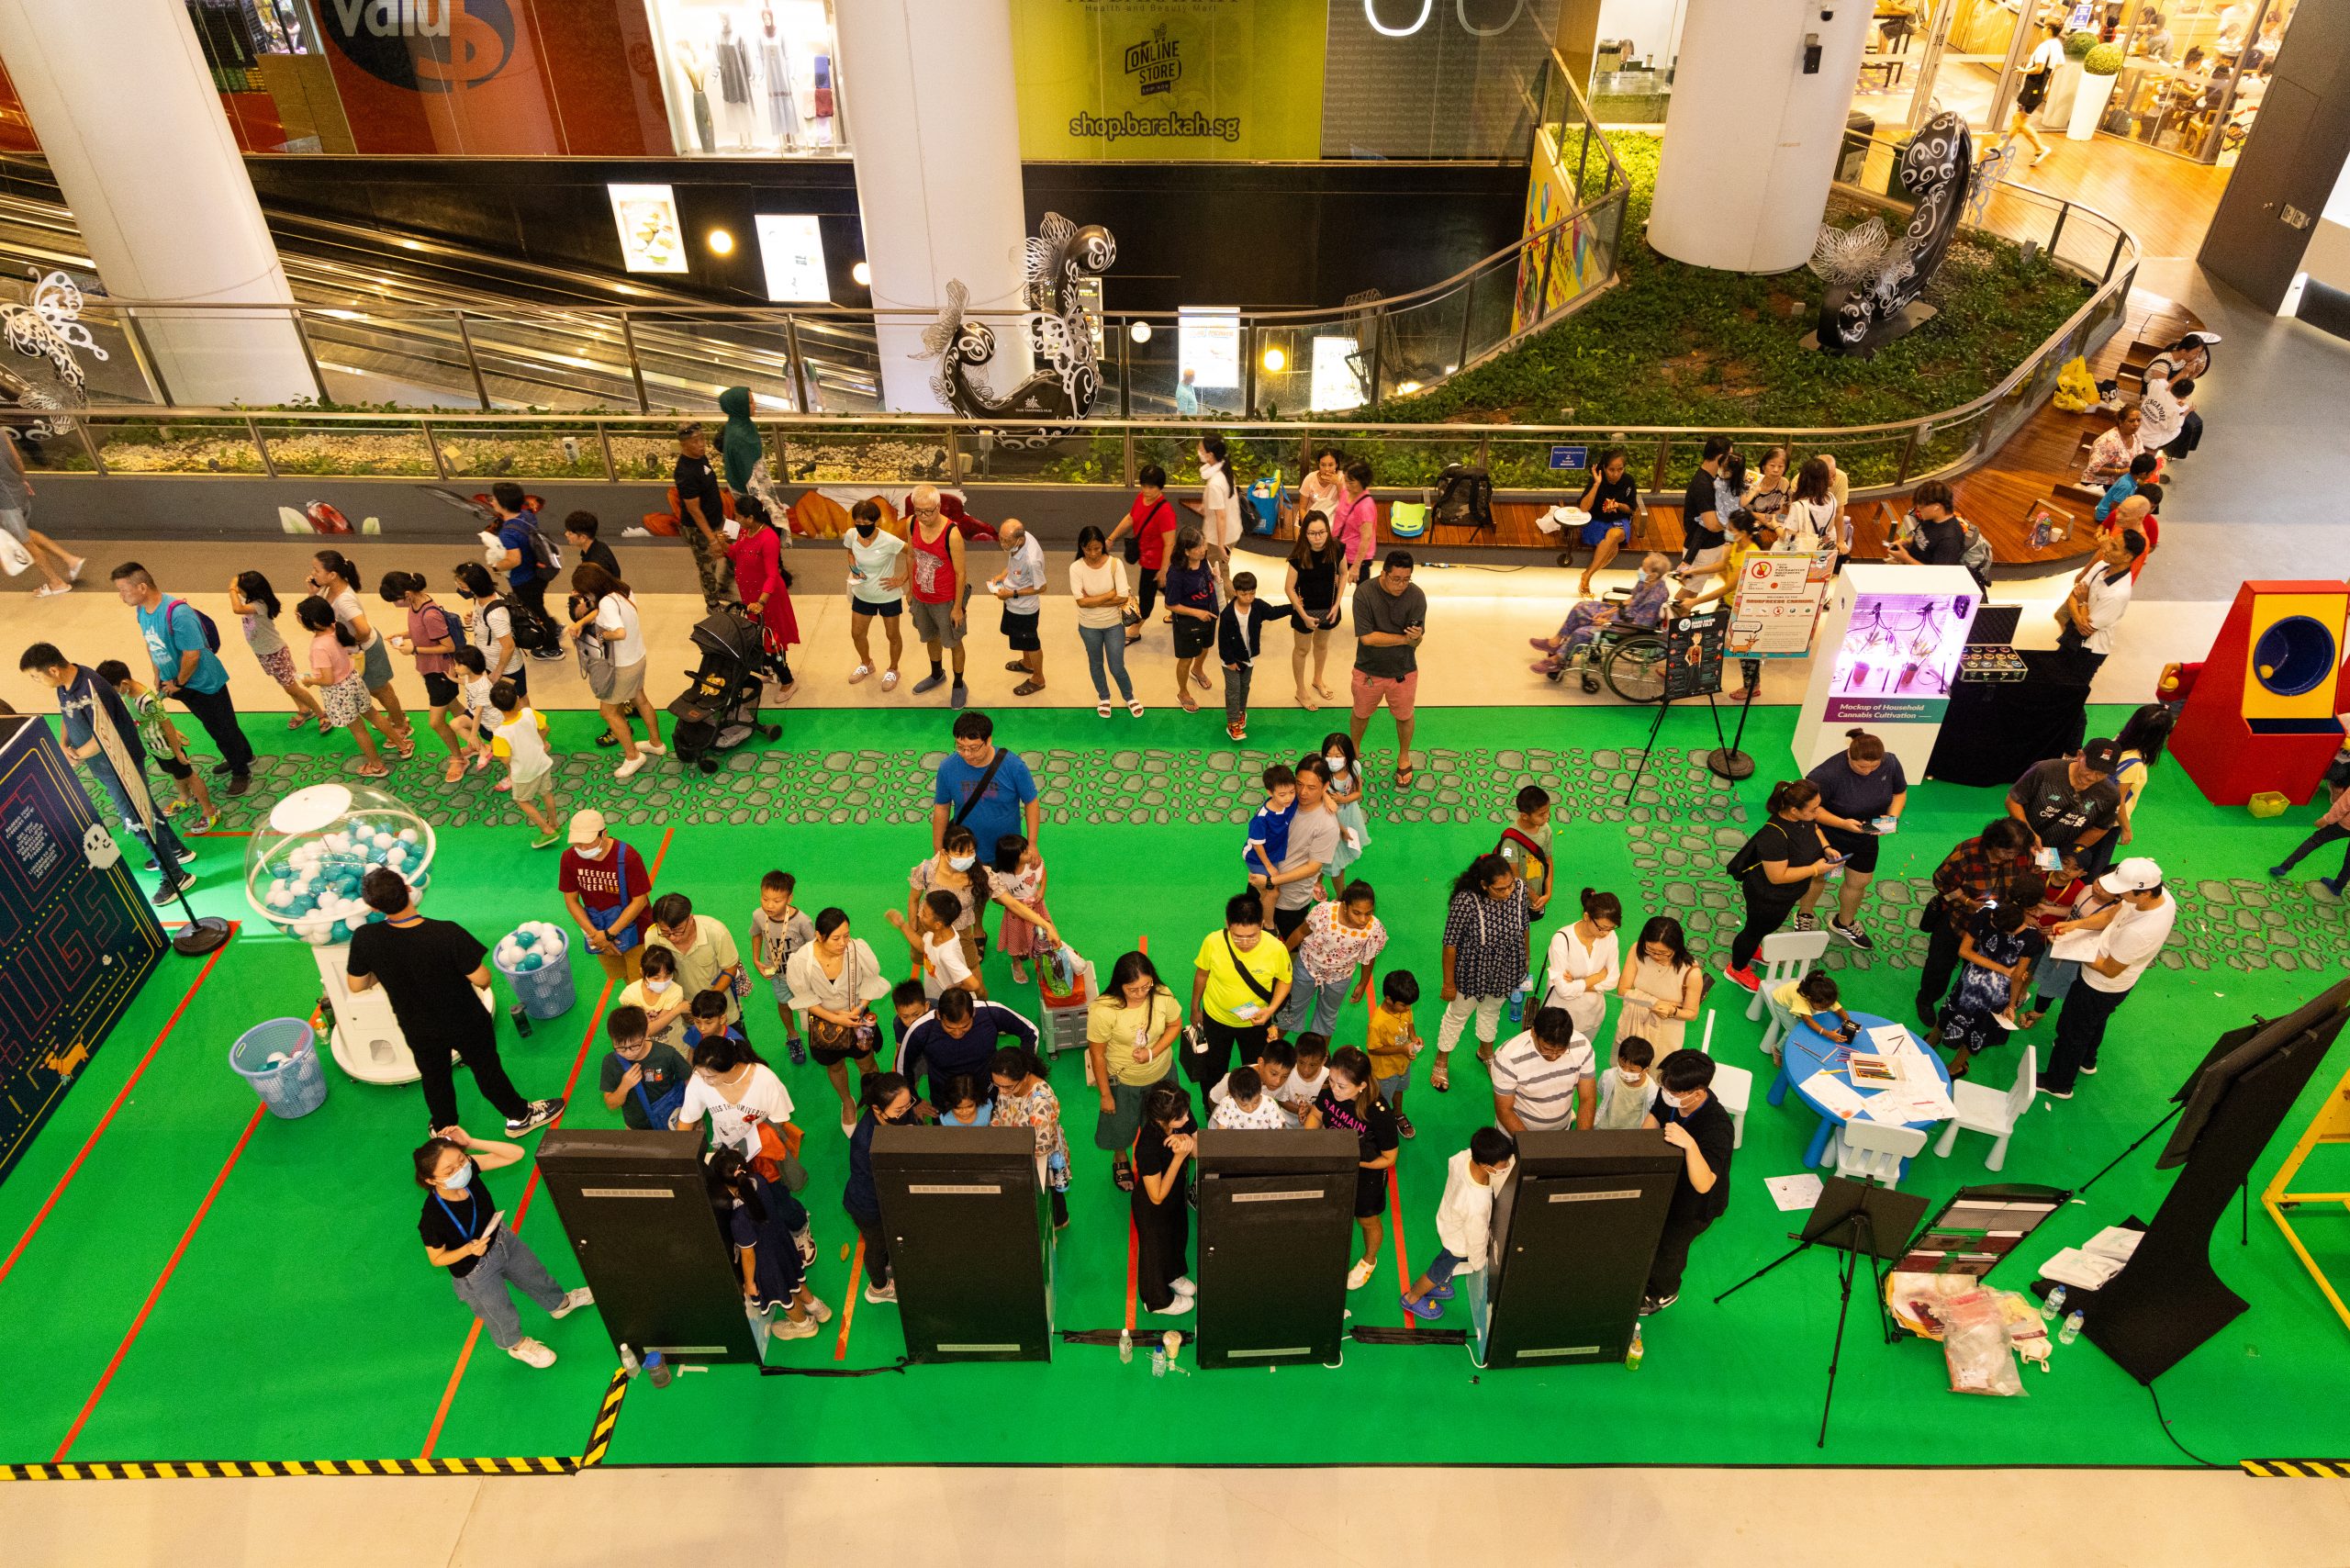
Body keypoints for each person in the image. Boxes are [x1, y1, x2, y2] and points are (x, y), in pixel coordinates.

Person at [351, 868, 563, 1137]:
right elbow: (482, 978)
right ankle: (519, 1116)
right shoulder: (446, 933)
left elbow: (357, 984)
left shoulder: (366, 938)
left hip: (417, 1026)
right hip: (465, 1020)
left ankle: (444, 1129)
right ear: (406, 889)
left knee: (434, 1076)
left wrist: (385, 972)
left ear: (373, 906)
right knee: (486, 1069)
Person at [19, 643, 195, 902]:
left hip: (121, 764)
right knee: (145, 806)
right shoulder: (64, 685)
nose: (35, 681)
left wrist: (75, 756)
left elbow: (105, 737)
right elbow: (67, 716)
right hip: (102, 765)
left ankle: (176, 876)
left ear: (53, 670)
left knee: (137, 821)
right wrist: (63, 744)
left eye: (35, 676)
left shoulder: (92, 688)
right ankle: (176, 850)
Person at [414, 1129, 592, 1369]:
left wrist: (472, 1141)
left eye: (461, 1160)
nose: (460, 1170)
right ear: (432, 1180)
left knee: (535, 1275)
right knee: (498, 1311)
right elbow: (436, 1258)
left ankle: (560, 1304)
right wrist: (467, 1250)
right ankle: (516, 1345)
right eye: (450, 1171)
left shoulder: (469, 1170)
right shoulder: (432, 1218)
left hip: (501, 1239)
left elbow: (516, 1154)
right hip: (474, 1269)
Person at [110, 562, 254, 797]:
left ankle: (241, 771)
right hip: (179, 683)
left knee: (221, 728)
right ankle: (243, 755)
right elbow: (152, 643)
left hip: (204, 683)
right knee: (218, 724)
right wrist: (158, 674)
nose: (121, 596)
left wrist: (178, 683)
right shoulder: (142, 611)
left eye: (124, 590)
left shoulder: (178, 613)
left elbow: (192, 654)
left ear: (142, 587)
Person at [2043, 858, 2176, 1099]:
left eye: (2122, 890)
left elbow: (2109, 968)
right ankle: (2086, 1060)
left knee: (2074, 1032)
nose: (2117, 895)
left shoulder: (2141, 931)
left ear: (2144, 892)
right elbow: (2112, 915)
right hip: (2111, 983)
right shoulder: (2156, 896)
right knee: (2093, 1022)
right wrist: (2076, 927)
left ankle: (2058, 1083)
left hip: (2101, 985)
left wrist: (2069, 947)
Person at [1917, 818, 2047, 1025]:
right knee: (1939, 967)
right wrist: (1968, 902)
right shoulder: (1966, 853)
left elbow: (2026, 885)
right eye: (2008, 852)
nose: (2012, 857)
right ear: (1993, 844)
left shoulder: (2022, 855)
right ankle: (1926, 1000)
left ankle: (1959, 1005)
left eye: (2016, 852)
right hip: (1959, 922)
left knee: (1975, 974)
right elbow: (1942, 882)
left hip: (1997, 929)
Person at [1640, 1048, 1734, 1315]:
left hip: (1695, 1204)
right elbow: (1655, 1117)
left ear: (1698, 1092)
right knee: (1653, 1236)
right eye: (1665, 1086)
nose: (1667, 1093)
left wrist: (1690, 1144)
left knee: (1670, 1248)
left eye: (1675, 1092)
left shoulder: (1718, 1127)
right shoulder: (1671, 1092)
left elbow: (1705, 1183)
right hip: (1669, 1184)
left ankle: (1664, 1292)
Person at [785, 907, 892, 1131]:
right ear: (819, 936)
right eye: (836, 938)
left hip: (857, 1019)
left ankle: (874, 1102)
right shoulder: (802, 960)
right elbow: (806, 999)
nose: (843, 943)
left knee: (867, 1063)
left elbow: (871, 983)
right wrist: (835, 1018)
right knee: (835, 1067)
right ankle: (847, 1103)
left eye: (846, 935)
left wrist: (859, 1008)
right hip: (825, 1024)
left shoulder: (857, 950)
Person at [1799, 729, 1908, 948]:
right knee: (1818, 878)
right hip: (1827, 835)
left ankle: (1844, 922)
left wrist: (1893, 818)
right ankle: (1805, 916)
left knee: (1860, 881)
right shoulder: (1826, 775)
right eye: (1862, 767)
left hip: (1866, 833)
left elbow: (1899, 792)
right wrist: (1842, 823)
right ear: (1849, 755)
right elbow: (1808, 809)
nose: (1868, 772)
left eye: (1874, 767)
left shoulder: (1891, 762)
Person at [705, 1146, 826, 1340]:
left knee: (784, 1294)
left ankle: (803, 1325)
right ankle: (817, 1308)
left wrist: (750, 1283)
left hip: (767, 1263)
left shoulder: (739, 1220)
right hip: (783, 1245)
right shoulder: (759, 1181)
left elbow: (748, 1254)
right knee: (795, 1279)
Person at [1304, 1046, 1400, 1290]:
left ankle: (1369, 1261)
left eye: (1342, 1086)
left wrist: (1351, 1160)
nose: (1334, 1089)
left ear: (1361, 1086)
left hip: (1366, 1172)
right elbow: (1316, 1116)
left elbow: (1389, 1158)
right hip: (1334, 1161)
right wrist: (1311, 1143)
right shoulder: (1329, 1090)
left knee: (1366, 1219)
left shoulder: (1379, 1113)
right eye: (1332, 1081)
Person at [1433, 851, 1530, 1089]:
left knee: (1491, 1011)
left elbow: (1525, 926)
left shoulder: (1519, 889)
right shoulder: (1466, 901)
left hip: (1505, 968)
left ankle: (1486, 1052)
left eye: (1509, 886)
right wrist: (1448, 983)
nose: (1507, 892)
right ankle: (1441, 1059)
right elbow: (1450, 944)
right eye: (1500, 889)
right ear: (1484, 885)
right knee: (1458, 1014)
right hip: (1472, 971)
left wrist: (1525, 959)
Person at [1724, 779, 1834, 990]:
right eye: (1814, 808)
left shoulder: (1805, 818)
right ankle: (1736, 969)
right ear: (1794, 810)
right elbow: (1777, 876)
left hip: (1788, 893)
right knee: (1753, 931)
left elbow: (1816, 830)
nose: (1818, 812)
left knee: (1765, 928)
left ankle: (1754, 949)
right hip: (1768, 896)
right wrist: (1815, 870)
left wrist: (1826, 847)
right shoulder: (1774, 835)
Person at [1087, 950, 1182, 1191]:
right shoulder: (1104, 1009)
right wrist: (1106, 1094)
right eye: (1133, 989)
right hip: (1123, 1081)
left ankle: (1159, 1156)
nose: (1141, 993)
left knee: (1162, 1123)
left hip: (1162, 1075)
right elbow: (1097, 1055)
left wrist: (1153, 1052)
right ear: (1120, 986)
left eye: (1145, 986)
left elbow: (1175, 1024)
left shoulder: (1161, 995)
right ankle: (1120, 1157)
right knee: (1121, 1125)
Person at [380, 571, 486, 784]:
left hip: (441, 672)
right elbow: (424, 632)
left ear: (407, 594)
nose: (394, 604)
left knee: (436, 722)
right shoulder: (415, 605)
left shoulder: (430, 613)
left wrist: (414, 650)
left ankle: (459, 758)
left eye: (395, 600)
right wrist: (404, 635)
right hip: (431, 670)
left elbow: (449, 646)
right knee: (455, 707)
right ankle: (479, 745)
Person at [1399, 1126, 1515, 1321]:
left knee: (1443, 1266)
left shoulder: (1466, 1157)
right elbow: (1476, 1238)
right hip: (1457, 1243)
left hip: (1450, 1217)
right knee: (1437, 1271)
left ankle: (1434, 1286)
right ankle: (1412, 1298)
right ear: (1486, 1165)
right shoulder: (1477, 1203)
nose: (1506, 1167)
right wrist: (1478, 1263)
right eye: (1503, 1164)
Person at [309, 550, 418, 742]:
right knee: (376, 689)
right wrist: (314, 593)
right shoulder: (329, 589)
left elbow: (364, 630)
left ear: (332, 574)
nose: (313, 574)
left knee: (381, 690)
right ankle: (397, 717)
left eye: (316, 570)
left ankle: (401, 725)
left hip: (367, 650)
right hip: (357, 651)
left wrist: (353, 642)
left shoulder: (344, 600)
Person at [1190, 891, 1294, 1088]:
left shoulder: (1276, 949)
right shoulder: (1212, 942)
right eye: (1237, 937)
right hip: (1216, 1019)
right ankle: (1210, 1105)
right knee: (1214, 1068)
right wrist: (1195, 1008)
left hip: (1255, 1023)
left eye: (1252, 936)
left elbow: (1285, 981)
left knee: (1254, 1069)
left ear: (1262, 925)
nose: (1245, 943)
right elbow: (1202, 975)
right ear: (1227, 924)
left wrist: (1270, 1010)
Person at [95, 660, 214, 831]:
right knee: (174, 772)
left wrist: (177, 750)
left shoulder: (147, 700)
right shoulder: (129, 694)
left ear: (124, 683)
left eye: (114, 690)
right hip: (154, 745)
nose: (114, 694)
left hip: (167, 746)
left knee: (189, 776)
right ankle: (185, 797)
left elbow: (165, 723)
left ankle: (209, 810)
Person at [1530, 552, 1673, 689]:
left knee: (1581, 633)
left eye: (1644, 568)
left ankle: (1557, 660)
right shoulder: (1646, 581)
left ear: (1653, 574)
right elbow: (1630, 600)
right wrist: (1608, 613)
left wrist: (1607, 623)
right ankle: (1555, 642)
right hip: (1621, 616)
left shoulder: (1655, 598)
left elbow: (1639, 626)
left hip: (1626, 629)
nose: (1640, 570)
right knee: (1581, 608)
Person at [294, 595, 397, 778]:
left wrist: (310, 681)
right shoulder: (335, 628)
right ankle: (403, 746)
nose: (298, 618)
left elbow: (327, 679)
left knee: (359, 730)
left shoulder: (318, 646)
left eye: (300, 616)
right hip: (354, 680)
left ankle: (377, 766)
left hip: (339, 692)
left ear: (314, 623)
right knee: (373, 714)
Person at [1940, 899, 2043, 1078]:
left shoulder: (1987, 912)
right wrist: (2012, 1005)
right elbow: (2018, 977)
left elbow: (1964, 951)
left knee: (1950, 1011)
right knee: (1978, 1029)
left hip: (1970, 982)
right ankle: (1954, 1068)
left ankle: (1931, 1042)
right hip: (1996, 994)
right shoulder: (2032, 937)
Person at [1349, 551, 1427, 787]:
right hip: (1368, 669)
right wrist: (1405, 640)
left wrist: (1416, 638)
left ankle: (1403, 756)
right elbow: (1367, 639)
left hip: (1403, 671)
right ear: (1384, 574)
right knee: (1361, 714)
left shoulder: (1416, 596)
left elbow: (1417, 641)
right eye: (1396, 579)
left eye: (1406, 579)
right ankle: (1354, 754)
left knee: (1405, 716)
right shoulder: (1364, 593)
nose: (1401, 585)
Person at [931, 709, 1040, 871]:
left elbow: (1031, 802)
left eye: (973, 748)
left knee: (1008, 896)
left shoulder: (1013, 766)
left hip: (1006, 850)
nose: (966, 754)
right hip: (965, 853)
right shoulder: (947, 768)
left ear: (988, 741)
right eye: (960, 747)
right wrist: (939, 851)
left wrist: (1032, 844)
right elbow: (942, 808)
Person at [897, 987, 1041, 1109]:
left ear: (973, 1013)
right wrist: (914, 1101)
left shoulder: (991, 1012)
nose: (958, 1033)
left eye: (965, 1026)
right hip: (945, 1102)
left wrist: (1022, 1074)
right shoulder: (921, 1029)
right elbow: (903, 1066)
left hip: (989, 1095)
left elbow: (1030, 1033)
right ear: (939, 1016)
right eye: (950, 1028)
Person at [675, 1031, 797, 1170]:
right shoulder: (700, 1079)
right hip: (725, 1148)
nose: (705, 1081)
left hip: (763, 1151)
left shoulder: (765, 1079)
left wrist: (750, 1145)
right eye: (701, 1075)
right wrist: (681, 1156)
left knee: (768, 1189)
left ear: (732, 1067)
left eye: (712, 1076)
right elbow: (687, 1120)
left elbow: (779, 1119)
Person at [1281, 879, 1386, 1038]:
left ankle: (1320, 1056)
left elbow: (1369, 957)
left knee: (1327, 1016)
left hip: (1340, 978)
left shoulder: (1374, 928)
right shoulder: (1323, 912)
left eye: (1368, 913)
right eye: (1356, 913)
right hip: (1308, 968)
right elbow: (1301, 932)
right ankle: (1274, 1046)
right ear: (1344, 906)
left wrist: (1363, 983)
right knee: (1292, 1008)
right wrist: (1282, 953)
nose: (1363, 920)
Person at [843, 1073, 915, 1304]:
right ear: (877, 1109)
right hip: (869, 1206)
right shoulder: (866, 1142)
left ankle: (889, 1266)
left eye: (908, 1104)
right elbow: (880, 1180)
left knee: (890, 1240)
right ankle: (879, 1288)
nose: (906, 1111)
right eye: (899, 1109)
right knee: (877, 1246)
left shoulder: (899, 1113)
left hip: (890, 1200)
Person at [560, 809, 654, 986]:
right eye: (577, 843)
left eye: (587, 843)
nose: (582, 848)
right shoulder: (569, 858)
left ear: (604, 834)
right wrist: (595, 935)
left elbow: (640, 900)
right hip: (598, 931)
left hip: (636, 931)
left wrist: (610, 934)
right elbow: (571, 900)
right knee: (624, 975)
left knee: (642, 980)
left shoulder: (628, 857)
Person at [1132, 1081, 1200, 1316]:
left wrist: (1190, 1145)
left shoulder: (1180, 1112)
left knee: (1177, 1235)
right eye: (1181, 1118)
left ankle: (1172, 1274)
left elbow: (1198, 1150)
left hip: (1176, 1194)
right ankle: (1157, 1301)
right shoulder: (1148, 1146)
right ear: (1164, 1120)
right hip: (1153, 1207)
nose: (1187, 1119)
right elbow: (1157, 1196)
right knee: (1155, 1250)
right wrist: (1180, 1156)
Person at [229, 571, 327, 732]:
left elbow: (237, 609)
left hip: (275, 653)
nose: (237, 590)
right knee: (286, 684)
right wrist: (237, 583)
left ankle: (321, 714)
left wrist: (232, 589)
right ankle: (304, 710)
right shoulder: (249, 600)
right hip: (263, 652)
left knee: (292, 687)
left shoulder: (259, 604)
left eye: (240, 588)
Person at [727, 497, 800, 702]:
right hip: (751, 597)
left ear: (750, 518)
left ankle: (788, 681)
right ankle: (770, 671)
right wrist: (722, 544)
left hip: (768, 598)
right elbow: (736, 553)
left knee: (772, 641)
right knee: (757, 639)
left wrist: (761, 602)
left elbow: (771, 575)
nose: (736, 519)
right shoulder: (745, 531)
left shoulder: (769, 538)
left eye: (739, 516)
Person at [2008, 740, 2123, 868]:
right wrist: (2029, 834)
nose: (2092, 777)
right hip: (2019, 839)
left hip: (2055, 855)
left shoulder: (2110, 795)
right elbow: (2013, 800)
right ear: (2080, 755)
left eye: (2101, 773)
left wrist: (2066, 854)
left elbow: (2100, 828)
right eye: (2090, 768)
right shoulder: (2045, 770)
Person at [903, 484, 968, 706]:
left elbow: (961, 574)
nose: (923, 516)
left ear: (938, 507)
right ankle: (936, 674)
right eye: (918, 511)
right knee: (930, 637)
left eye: (928, 511)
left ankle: (959, 683)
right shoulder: (911, 523)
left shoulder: (952, 533)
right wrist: (911, 590)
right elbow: (911, 557)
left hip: (946, 600)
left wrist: (957, 607)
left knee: (953, 642)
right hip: (922, 598)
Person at [991, 1045, 1070, 1228]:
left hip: (1041, 1160)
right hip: (1015, 1146)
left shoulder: (1040, 1102)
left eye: (1007, 1087)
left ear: (1025, 1075)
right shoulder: (1008, 1086)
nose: (1002, 1091)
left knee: (1052, 1191)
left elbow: (1041, 1147)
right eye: (997, 1086)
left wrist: (1009, 1153)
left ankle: (1060, 1220)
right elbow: (999, 1111)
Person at [1069, 525, 1144, 718]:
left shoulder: (1115, 564)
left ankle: (1129, 697)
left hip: (1113, 625)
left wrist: (1093, 601)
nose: (1093, 553)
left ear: (1103, 544)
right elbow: (1081, 602)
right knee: (1096, 663)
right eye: (1088, 549)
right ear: (1081, 547)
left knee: (1117, 666)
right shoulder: (1076, 568)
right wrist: (1110, 594)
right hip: (1088, 627)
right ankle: (1104, 697)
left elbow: (1122, 597)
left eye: (1097, 548)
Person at [1489, 1004, 1597, 1135]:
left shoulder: (1582, 1046)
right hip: (1518, 1137)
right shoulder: (1508, 1057)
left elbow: (1588, 1098)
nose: (1553, 1056)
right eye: (1547, 1049)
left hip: (1561, 1132)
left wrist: (1584, 1138)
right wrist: (1531, 1148)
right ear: (1534, 1033)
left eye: (1561, 1051)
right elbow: (1505, 1110)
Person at [0, 424, 80, 597]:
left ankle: (56, 582)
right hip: (17, 491)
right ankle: (70, 560)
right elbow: (17, 459)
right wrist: (22, 481)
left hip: (7, 503)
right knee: (26, 535)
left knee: (25, 542)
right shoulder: (1, 431)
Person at [646, 891, 747, 1029]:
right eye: (665, 932)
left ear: (690, 919)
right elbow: (656, 974)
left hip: (719, 1010)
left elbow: (730, 968)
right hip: (681, 1012)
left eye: (678, 930)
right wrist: (680, 1006)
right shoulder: (652, 937)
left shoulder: (716, 932)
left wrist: (707, 1003)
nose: (672, 938)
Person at [1103, 462, 1179, 643]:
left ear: (1160, 487)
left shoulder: (1165, 512)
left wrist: (1164, 569)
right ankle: (1179, 612)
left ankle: (1135, 630)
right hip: (1146, 558)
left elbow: (1169, 544)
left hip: (1157, 563)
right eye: (1144, 486)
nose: (1146, 490)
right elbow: (1131, 518)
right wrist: (1111, 538)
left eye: (1151, 487)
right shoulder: (1140, 499)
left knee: (1146, 596)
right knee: (1169, 590)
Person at [2055, 528, 2143, 682]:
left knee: (2073, 688)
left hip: (2089, 651)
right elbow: (2073, 595)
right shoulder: (2101, 566)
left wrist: (2082, 600)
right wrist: (2080, 609)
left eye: (2114, 547)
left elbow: (2086, 629)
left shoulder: (2117, 593)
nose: (2106, 548)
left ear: (2127, 557)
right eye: (2111, 543)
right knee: (2055, 675)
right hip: (2072, 636)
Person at [1265, 758, 1338, 938]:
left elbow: (1313, 868)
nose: (1303, 792)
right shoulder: (1287, 800)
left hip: (1290, 900)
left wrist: (1272, 881)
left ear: (1325, 786)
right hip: (1262, 882)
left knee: (1290, 944)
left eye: (1312, 788)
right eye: (1299, 784)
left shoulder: (1327, 825)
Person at [487, 482, 562, 649]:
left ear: (503, 504)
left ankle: (551, 647)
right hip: (539, 571)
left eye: (494, 499)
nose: (491, 502)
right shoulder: (526, 515)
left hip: (524, 579)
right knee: (537, 605)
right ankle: (553, 627)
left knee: (534, 612)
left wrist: (496, 566)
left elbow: (514, 560)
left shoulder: (508, 533)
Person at [748, 869, 815, 1057]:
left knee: (811, 1006)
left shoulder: (802, 921)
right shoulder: (758, 915)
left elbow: (814, 947)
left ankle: (816, 1035)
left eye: (777, 901)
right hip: (778, 974)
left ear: (789, 898)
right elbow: (755, 934)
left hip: (802, 976)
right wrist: (756, 959)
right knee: (784, 1004)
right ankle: (793, 1036)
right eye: (764, 898)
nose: (769, 905)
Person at [487, 679, 562, 848]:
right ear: (518, 698)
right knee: (546, 793)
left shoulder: (500, 733)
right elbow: (546, 728)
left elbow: (505, 759)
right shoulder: (529, 713)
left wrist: (494, 747)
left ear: (495, 706)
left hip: (523, 772)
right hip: (542, 763)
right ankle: (555, 823)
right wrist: (539, 743)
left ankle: (546, 830)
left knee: (522, 801)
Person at [1542, 887, 1622, 1045]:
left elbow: (1613, 980)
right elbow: (1563, 991)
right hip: (1559, 1017)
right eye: (1601, 927)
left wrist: (1577, 983)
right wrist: (1597, 978)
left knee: (1579, 1058)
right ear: (1587, 916)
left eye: (1611, 928)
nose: (1605, 933)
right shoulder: (1562, 939)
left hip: (1592, 1015)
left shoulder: (1611, 936)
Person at [844, 498, 908, 690]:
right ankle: (866, 664)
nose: (861, 526)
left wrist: (902, 579)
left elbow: (914, 554)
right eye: (858, 522)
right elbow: (849, 553)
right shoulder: (851, 535)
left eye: (866, 523)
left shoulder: (889, 541)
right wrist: (854, 568)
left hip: (887, 595)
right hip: (862, 593)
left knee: (892, 635)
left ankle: (893, 669)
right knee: (857, 633)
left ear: (876, 522)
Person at [672, 421, 735, 613]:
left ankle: (723, 587)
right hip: (700, 529)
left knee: (735, 545)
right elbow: (694, 509)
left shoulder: (701, 458)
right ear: (683, 444)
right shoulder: (685, 472)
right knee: (708, 565)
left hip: (718, 520)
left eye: (702, 439)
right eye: (695, 441)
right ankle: (713, 605)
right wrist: (712, 539)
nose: (701, 444)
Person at [1615, 915, 1701, 1053]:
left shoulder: (1691, 973)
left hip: (1666, 1032)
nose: (1655, 956)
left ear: (1676, 947)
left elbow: (1691, 1013)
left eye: (1663, 953)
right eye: (1650, 949)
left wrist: (1672, 1010)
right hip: (1633, 1022)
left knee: (1657, 1069)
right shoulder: (1637, 950)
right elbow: (1622, 989)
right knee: (1626, 1065)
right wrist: (1657, 1003)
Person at [1286, 511, 1345, 711]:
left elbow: (1343, 573)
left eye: (1321, 532)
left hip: (1328, 608)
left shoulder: (1336, 548)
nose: (1317, 538)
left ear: (1328, 530)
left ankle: (1317, 679)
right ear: (1305, 534)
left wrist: (1337, 604)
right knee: (1302, 649)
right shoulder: (1298, 554)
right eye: (1312, 533)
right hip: (1305, 610)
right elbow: (1289, 588)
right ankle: (1300, 690)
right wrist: (1302, 614)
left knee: (1321, 645)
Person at [1219, 569, 1286, 743]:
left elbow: (1272, 613)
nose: (1249, 597)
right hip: (1231, 659)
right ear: (1235, 592)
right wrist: (1229, 661)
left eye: (1252, 593)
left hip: (1249, 657)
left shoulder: (1257, 606)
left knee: (1245, 686)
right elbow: (1223, 640)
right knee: (1233, 690)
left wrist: (1293, 607)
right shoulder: (1227, 614)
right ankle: (1233, 723)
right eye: (1244, 594)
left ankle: (1241, 712)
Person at [599, 1005, 692, 1130]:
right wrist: (624, 1086)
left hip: (671, 1123)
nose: (628, 1053)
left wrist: (693, 1117)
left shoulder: (666, 1054)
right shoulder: (610, 1062)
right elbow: (611, 1104)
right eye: (620, 1047)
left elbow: (689, 1080)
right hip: (635, 1128)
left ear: (646, 1033)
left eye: (635, 1045)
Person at [987, 518, 1048, 697]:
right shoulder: (1018, 541)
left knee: (1031, 642)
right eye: (1000, 538)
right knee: (1021, 639)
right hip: (1012, 603)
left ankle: (1038, 678)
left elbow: (1041, 587)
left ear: (1019, 539)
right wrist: (1001, 575)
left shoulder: (1032, 560)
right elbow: (1013, 564)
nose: (1002, 544)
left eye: (1006, 541)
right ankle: (1027, 664)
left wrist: (1012, 594)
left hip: (1025, 609)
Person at [452, 561, 528, 702]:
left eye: (462, 586)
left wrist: (497, 673)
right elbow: (485, 619)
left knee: (518, 703)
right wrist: (474, 618)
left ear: (475, 587)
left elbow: (509, 646)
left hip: (506, 669)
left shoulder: (495, 615)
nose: (460, 589)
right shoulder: (481, 598)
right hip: (489, 663)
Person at [1163, 525, 1220, 712]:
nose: (1204, 550)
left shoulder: (1203, 561)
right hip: (1188, 622)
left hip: (1209, 616)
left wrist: (1214, 577)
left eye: (1204, 545)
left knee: (1205, 647)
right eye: (1198, 547)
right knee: (1186, 658)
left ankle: (1198, 670)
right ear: (1186, 551)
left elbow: (1204, 581)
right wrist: (1196, 613)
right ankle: (1183, 692)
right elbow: (1170, 605)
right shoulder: (1176, 573)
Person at [1573, 446, 1639, 597]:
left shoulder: (1628, 481)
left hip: (1618, 522)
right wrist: (1597, 484)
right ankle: (1586, 575)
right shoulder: (1596, 479)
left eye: (1620, 469)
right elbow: (1584, 508)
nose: (1616, 474)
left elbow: (1631, 508)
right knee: (1613, 550)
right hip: (1597, 521)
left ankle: (1587, 575)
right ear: (1604, 467)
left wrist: (1617, 505)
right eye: (1612, 470)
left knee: (1614, 534)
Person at [2109, 702, 2176, 848]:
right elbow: (2118, 800)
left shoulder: (2119, 740)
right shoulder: (2134, 764)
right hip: (2109, 823)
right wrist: (2126, 829)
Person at [1366, 969, 1422, 1137]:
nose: (1408, 1009)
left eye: (1409, 1005)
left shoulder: (1404, 1008)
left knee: (1399, 1089)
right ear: (1389, 999)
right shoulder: (1378, 1023)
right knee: (1380, 1100)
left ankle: (1398, 1114)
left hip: (1403, 1064)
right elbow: (1373, 1049)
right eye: (1404, 1005)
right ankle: (1376, 1125)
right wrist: (1402, 1050)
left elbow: (1409, 1024)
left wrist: (1413, 1037)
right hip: (1384, 1071)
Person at [990, 834, 1052, 985]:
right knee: (1016, 939)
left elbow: (1043, 874)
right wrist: (1013, 905)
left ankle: (1040, 959)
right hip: (1014, 913)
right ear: (1012, 859)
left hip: (1036, 907)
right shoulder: (999, 876)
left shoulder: (1033, 863)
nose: (1030, 853)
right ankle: (1016, 962)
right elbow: (995, 897)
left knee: (1041, 936)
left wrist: (1042, 890)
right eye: (1024, 852)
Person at [1496, 783, 1555, 932]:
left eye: (1548, 811)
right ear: (1524, 816)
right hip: (1516, 897)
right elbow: (1513, 876)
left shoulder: (1546, 829)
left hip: (1537, 895)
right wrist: (1534, 897)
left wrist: (1547, 893)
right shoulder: (1510, 841)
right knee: (1514, 927)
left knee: (1526, 926)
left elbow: (1548, 860)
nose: (1547, 817)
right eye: (1542, 814)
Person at [620, 943, 690, 1053]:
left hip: (676, 1047)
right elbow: (648, 1031)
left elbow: (658, 1023)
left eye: (667, 976)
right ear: (642, 972)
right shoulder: (630, 994)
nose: (662, 982)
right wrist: (678, 1010)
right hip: (648, 1052)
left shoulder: (675, 990)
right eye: (656, 978)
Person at [2009, 20, 2062, 163]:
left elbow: (2039, 68)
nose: (2042, 30)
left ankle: (2040, 149)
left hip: (2031, 88)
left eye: (2045, 27)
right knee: (2017, 119)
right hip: (2039, 88)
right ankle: (2000, 147)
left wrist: (2023, 70)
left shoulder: (2045, 47)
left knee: (2020, 123)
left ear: (2050, 30)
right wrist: (2049, 75)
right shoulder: (2057, 45)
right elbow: (2060, 63)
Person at [1679, 435, 1733, 572]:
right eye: (1730, 456)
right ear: (1720, 457)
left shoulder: (1715, 478)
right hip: (1702, 549)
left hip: (1715, 544)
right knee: (1690, 591)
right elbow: (1712, 524)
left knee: (1731, 580)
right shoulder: (1702, 484)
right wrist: (1735, 523)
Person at [1193, 432, 1242, 577]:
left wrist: (1221, 545)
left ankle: (1237, 599)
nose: (1199, 452)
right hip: (1229, 532)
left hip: (1219, 538)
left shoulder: (1215, 482)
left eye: (1201, 450)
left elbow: (1221, 516)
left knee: (1219, 575)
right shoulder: (1225, 471)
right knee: (1220, 572)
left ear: (1210, 455)